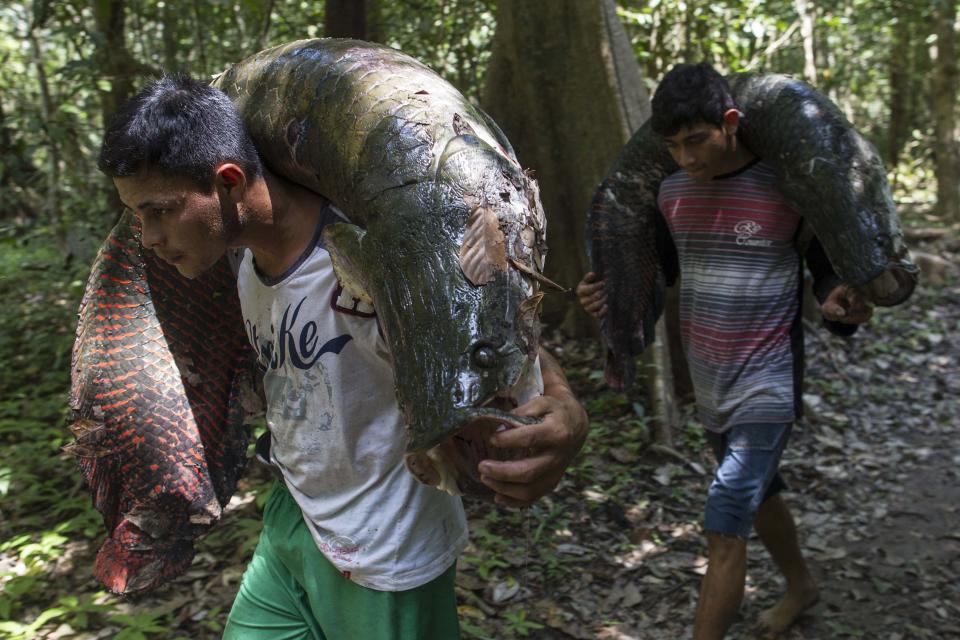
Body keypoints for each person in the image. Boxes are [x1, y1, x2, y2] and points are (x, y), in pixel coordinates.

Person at [99, 74, 588, 639]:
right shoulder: (241, 264)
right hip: (294, 520)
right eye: (138, 216)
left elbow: (496, 339)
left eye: (158, 211)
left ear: (228, 182)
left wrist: (566, 408)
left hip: (387, 554)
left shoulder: (374, 261)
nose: (149, 236)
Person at [577, 63, 875, 640]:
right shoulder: (668, 191)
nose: (686, 158)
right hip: (711, 380)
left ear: (731, 123)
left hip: (768, 380)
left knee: (725, 523)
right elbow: (656, 273)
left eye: (697, 141)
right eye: (672, 146)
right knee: (762, 492)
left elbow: (826, 273)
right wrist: (610, 298)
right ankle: (802, 585)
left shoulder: (787, 185)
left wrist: (840, 300)